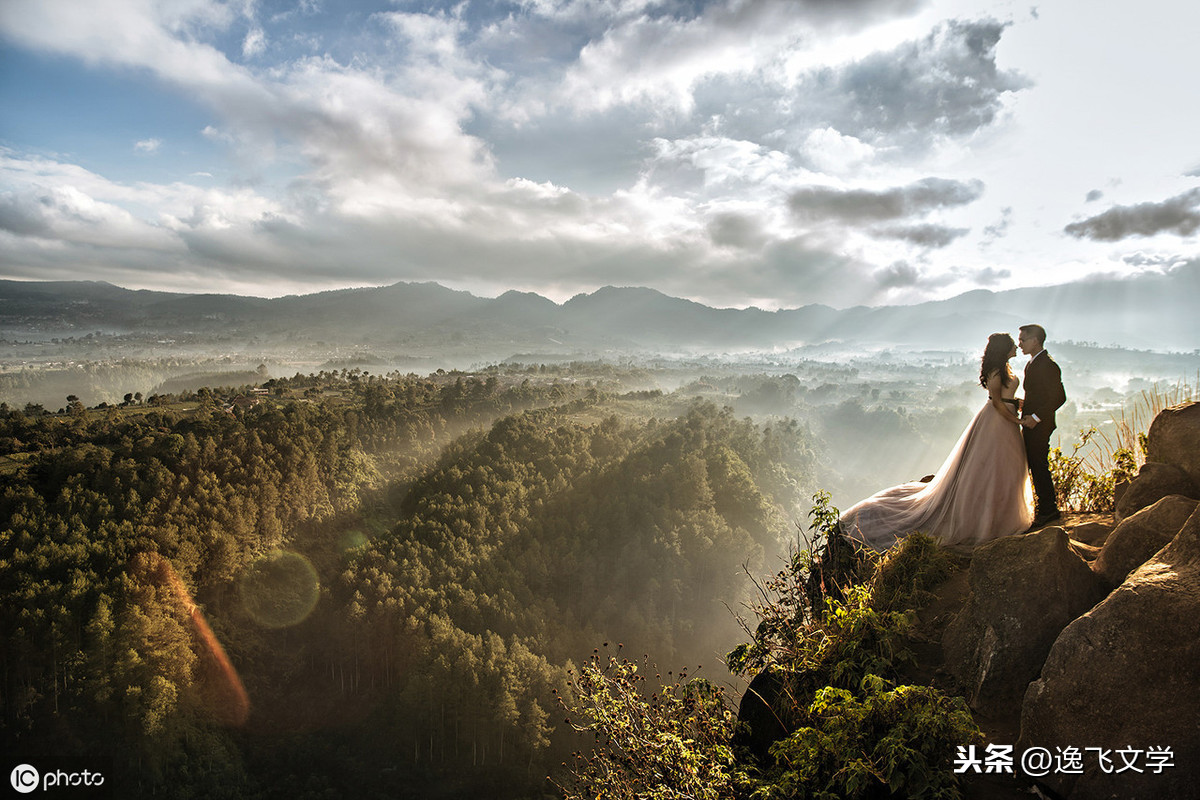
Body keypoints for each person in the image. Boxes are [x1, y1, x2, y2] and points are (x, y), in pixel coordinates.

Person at [840, 333, 1034, 552]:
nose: (1017, 347)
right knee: (992, 467)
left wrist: (1017, 404)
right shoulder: (997, 371)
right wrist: (1016, 419)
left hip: (1005, 419)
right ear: (1004, 348)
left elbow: (1005, 398)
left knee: (1008, 467)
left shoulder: (1005, 368)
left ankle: (1000, 515)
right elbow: (997, 402)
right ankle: (987, 520)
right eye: (1012, 345)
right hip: (998, 421)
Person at [1018, 323, 1066, 528]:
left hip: (1040, 425)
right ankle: (1045, 508)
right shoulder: (1032, 363)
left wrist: (1035, 417)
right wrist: (1024, 405)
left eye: (1023, 340)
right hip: (1031, 422)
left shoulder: (1048, 364)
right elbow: (1038, 394)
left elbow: (1059, 397)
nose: (1019, 344)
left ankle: (1048, 510)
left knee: (1039, 466)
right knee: (1035, 464)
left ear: (1035, 340)